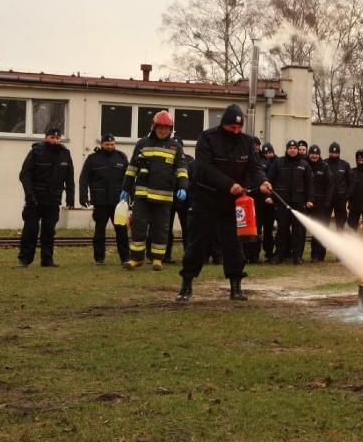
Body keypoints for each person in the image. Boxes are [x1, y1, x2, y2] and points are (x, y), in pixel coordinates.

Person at [177, 104, 272, 302]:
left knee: (234, 244)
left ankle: (236, 286)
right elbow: (205, 167)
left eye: (239, 128)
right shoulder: (207, 138)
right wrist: (229, 184)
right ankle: (186, 284)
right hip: (206, 198)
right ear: (223, 125)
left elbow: (254, 167)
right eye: (232, 128)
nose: (236, 131)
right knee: (197, 242)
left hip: (233, 203)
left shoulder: (247, 142)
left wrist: (262, 181)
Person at [120, 110, 188, 271]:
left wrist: (184, 187)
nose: (163, 131)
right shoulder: (142, 143)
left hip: (164, 195)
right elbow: (132, 168)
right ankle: (136, 259)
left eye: (166, 128)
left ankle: (157, 259)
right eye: (161, 128)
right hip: (142, 193)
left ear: (170, 129)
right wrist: (125, 188)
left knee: (161, 228)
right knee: (138, 226)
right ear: (154, 126)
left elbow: (181, 170)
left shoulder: (175, 147)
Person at [17, 127, 75, 268]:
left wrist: (70, 197)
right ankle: (25, 259)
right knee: (30, 230)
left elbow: (69, 177)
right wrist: (29, 195)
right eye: (52, 138)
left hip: (53, 199)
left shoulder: (65, 154)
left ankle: (47, 260)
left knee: (49, 231)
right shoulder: (36, 152)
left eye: (57, 138)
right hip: (35, 200)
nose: (55, 141)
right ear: (46, 138)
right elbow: (25, 174)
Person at [78, 133, 130, 265]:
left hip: (118, 203)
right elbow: (84, 179)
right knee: (99, 230)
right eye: (107, 144)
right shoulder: (92, 159)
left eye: (112, 144)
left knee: (122, 231)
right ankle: (99, 258)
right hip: (100, 201)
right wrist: (83, 196)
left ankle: (125, 258)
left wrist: (132, 196)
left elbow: (129, 178)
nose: (110, 147)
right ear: (101, 144)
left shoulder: (121, 157)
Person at [266, 139, 313, 264]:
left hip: (298, 203)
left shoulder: (304, 165)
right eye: (290, 148)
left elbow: (309, 184)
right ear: (287, 149)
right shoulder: (278, 163)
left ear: (298, 150)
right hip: (282, 202)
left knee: (298, 231)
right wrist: (269, 196)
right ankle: (279, 255)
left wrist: (309, 200)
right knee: (282, 230)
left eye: (295, 148)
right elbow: (269, 180)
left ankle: (297, 256)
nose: (292, 150)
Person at [306, 144, 333, 262]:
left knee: (318, 229)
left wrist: (327, 201)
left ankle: (317, 255)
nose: (314, 156)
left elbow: (329, 185)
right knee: (301, 229)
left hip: (320, 203)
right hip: (306, 202)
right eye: (312, 153)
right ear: (309, 154)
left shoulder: (324, 167)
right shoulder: (304, 165)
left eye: (317, 154)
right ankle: (296, 255)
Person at [325, 142, 351, 231]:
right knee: (324, 222)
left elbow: (350, 182)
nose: (334, 154)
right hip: (327, 199)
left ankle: (340, 240)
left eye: (336, 153)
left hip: (340, 199)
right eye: (332, 152)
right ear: (329, 152)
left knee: (340, 223)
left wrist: (346, 197)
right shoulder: (324, 164)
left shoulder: (345, 165)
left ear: (339, 153)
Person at [258, 143, 277, 262]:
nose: (268, 155)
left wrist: (271, 197)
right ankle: (253, 253)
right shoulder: (256, 162)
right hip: (258, 200)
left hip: (270, 201)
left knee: (269, 229)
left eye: (270, 152)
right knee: (257, 228)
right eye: (265, 153)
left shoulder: (277, 163)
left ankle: (269, 252)